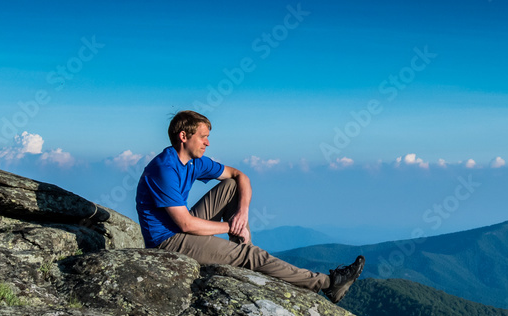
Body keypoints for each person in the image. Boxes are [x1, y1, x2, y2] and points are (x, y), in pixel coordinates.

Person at [135, 110, 364, 303]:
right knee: (252, 255)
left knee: (231, 186)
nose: (208, 142)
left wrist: (241, 216)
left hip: (179, 228)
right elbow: (184, 224)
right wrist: (229, 227)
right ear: (184, 136)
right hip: (167, 242)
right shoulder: (164, 169)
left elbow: (240, 176)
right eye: (203, 137)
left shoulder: (193, 162)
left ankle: (244, 255)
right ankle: (327, 284)